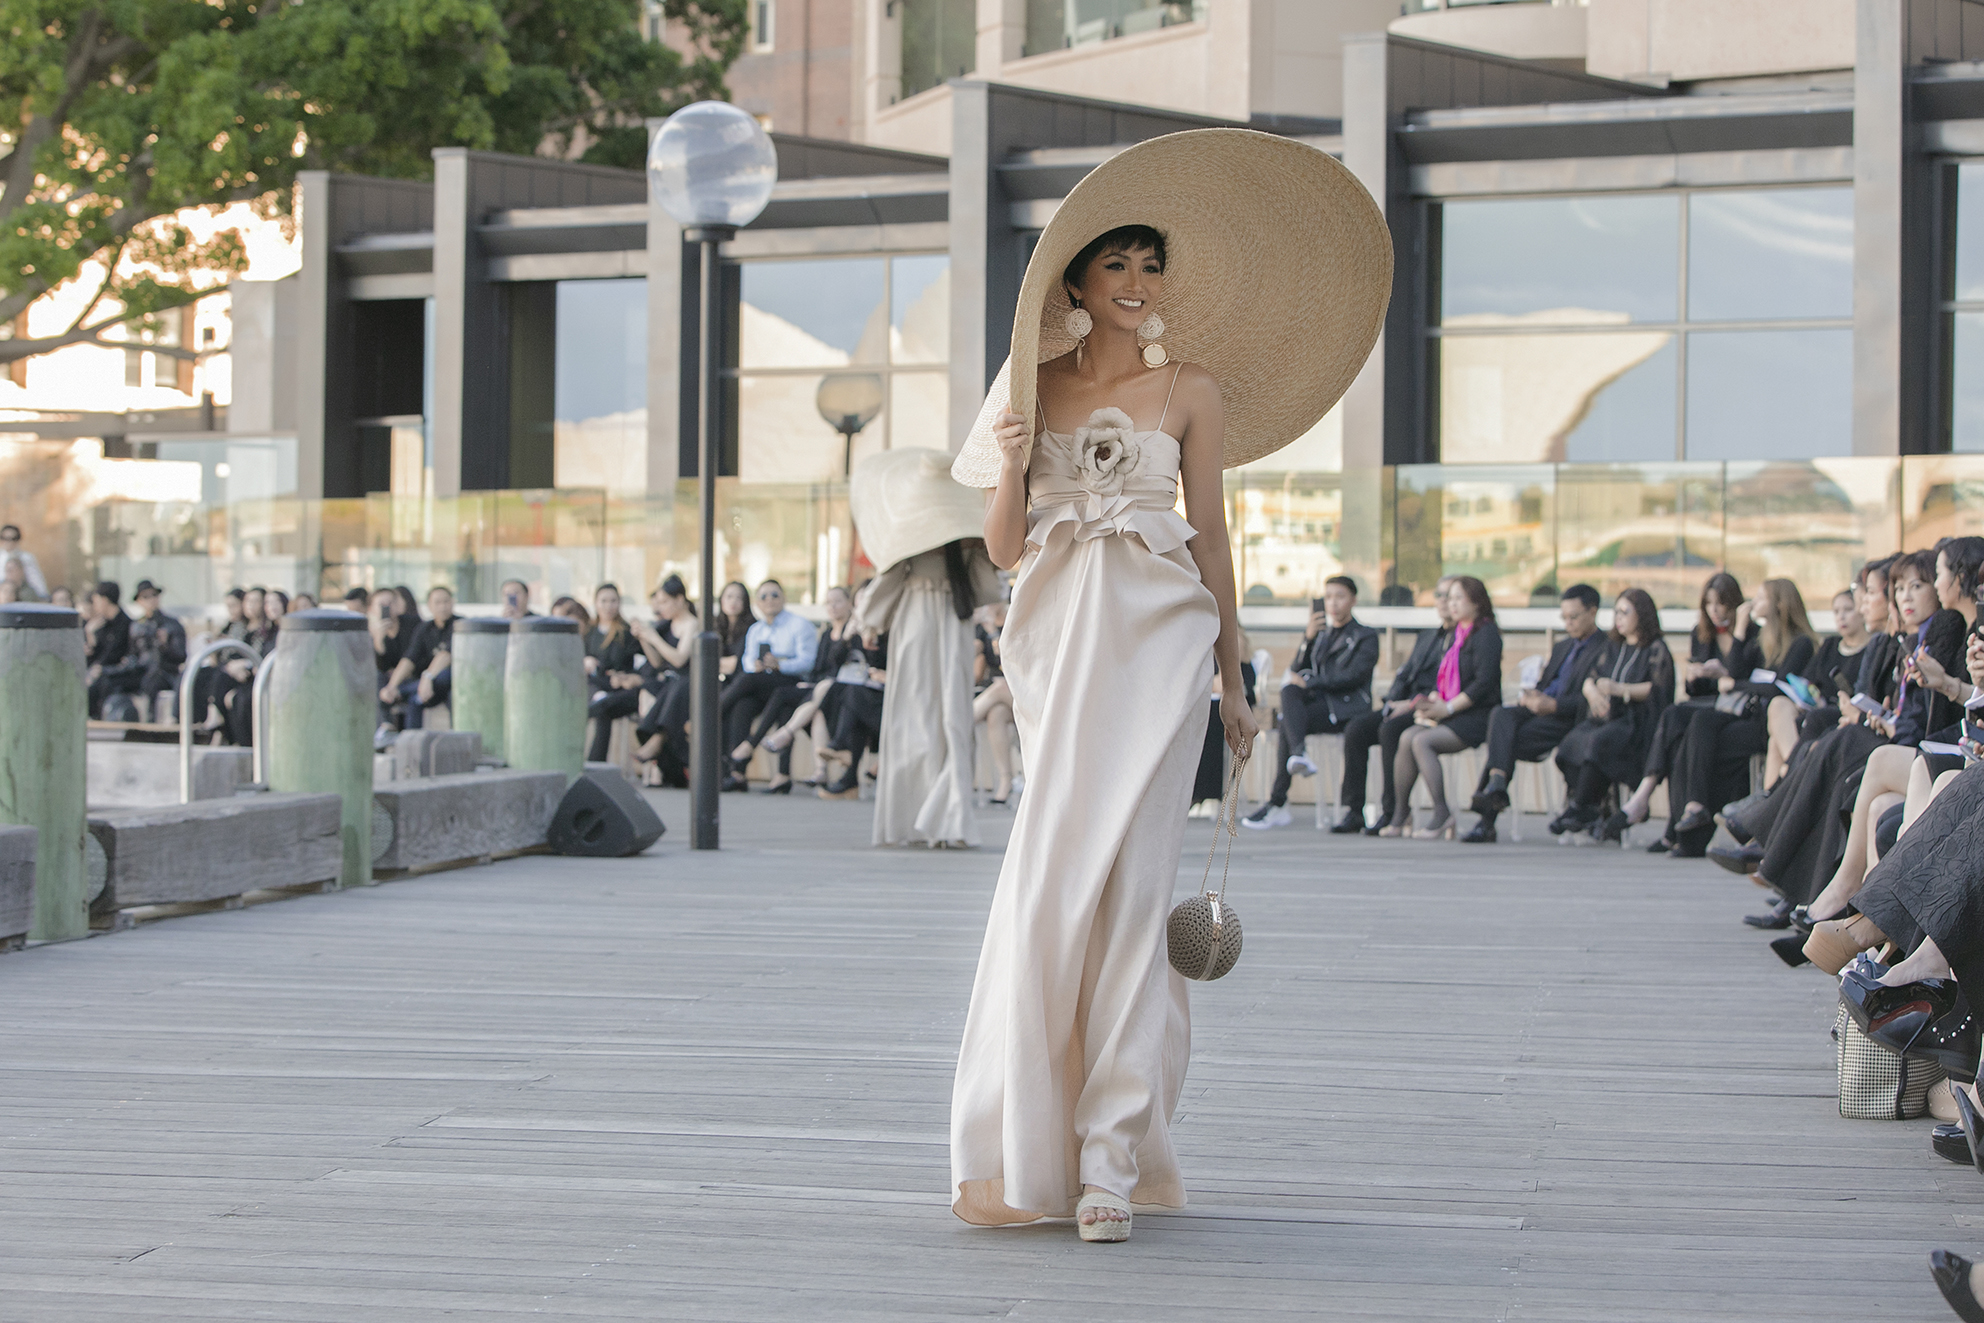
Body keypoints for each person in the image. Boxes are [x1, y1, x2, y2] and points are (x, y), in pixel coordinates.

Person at [946, 132, 1382, 1241]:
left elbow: (1215, 542)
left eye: (1152, 265)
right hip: (1055, 650)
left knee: (1137, 896)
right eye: (1118, 265)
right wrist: (1011, 458)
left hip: (1162, 649)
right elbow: (1002, 548)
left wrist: (1236, 681)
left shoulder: (1192, 389)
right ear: (1075, 284)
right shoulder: (1033, 389)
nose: (1138, 283)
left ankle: (1107, 1164)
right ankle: (1028, 1143)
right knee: (1050, 891)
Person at [847, 449, 1004, 841]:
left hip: (916, 621)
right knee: (952, 715)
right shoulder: (966, 537)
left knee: (914, 713)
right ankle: (949, 817)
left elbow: (887, 582)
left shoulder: (909, 535)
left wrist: (868, 622)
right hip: (954, 621)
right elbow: (987, 588)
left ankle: (915, 814)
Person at [1461, 583, 1608, 842]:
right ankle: (1496, 785)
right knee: (1501, 715)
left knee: (1503, 743)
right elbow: (1544, 684)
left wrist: (1554, 706)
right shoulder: (1562, 647)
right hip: (1539, 712)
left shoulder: (1605, 648)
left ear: (1592, 612)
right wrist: (1532, 696)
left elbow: (1593, 701)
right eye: (1564, 617)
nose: (1568, 623)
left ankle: (1488, 815)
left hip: (1568, 719)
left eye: (1574, 617)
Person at [1241, 575, 1378, 830]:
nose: (1333, 603)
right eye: (1328, 597)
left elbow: (1354, 676)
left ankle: (1278, 800)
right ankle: (1297, 756)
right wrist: (1308, 639)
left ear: (1353, 600)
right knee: (1289, 694)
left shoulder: (1365, 636)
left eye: (1340, 596)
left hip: (1348, 709)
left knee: (1288, 719)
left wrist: (1312, 683)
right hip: (1321, 708)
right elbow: (1296, 670)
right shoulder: (1321, 635)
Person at [1332, 575, 1455, 835]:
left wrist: (1409, 705)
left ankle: (1392, 811)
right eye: (1439, 595)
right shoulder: (1428, 636)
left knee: (1390, 730)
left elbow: (1446, 687)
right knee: (1357, 729)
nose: (1444, 602)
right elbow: (1405, 673)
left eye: (1450, 596)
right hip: (1404, 704)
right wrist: (1392, 701)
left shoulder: (1462, 641)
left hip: (1429, 709)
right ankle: (1354, 811)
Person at [1385, 575, 1503, 839]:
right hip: (1453, 710)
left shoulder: (1486, 634)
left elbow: (1483, 684)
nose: (1452, 604)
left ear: (1477, 602)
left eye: (1459, 598)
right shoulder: (1456, 634)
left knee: (1422, 741)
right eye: (1450, 599)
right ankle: (1400, 814)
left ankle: (1441, 813)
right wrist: (1433, 701)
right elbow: (1448, 679)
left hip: (1478, 715)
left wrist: (1447, 708)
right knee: (1406, 737)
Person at [1553, 588, 1675, 838]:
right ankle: (1587, 804)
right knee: (1570, 744)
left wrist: (1620, 690)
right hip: (1606, 716)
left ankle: (1584, 805)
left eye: (1625, 612)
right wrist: (1592, 692)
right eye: (1616, 612)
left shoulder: (1655, 648)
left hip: (1635, 720)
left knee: (1599, 743)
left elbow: (1658, 688)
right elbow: (1592, 677)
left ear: (1641, 614)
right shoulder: (1612, 646)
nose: (1618, 618)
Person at [749, 584, 860, 794]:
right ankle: (820, 771)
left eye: (838, 601)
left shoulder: (855, 632)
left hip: (844, 689)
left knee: (795, 692)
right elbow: (818, 669)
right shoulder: (826, 634)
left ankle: (782, 734)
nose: (833, 606)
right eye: (829, 602)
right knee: (805, 705)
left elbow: (840, 663)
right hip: (821, 688)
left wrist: (846, 637)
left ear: (849, 604)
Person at [718, 580, 818, 791]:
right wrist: (756, 666)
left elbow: (808, 662)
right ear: (757, 602)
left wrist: (780, 665)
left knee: (767, 691)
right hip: (763, 683)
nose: (769, 600)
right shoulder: (756, 629)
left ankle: (714, 712)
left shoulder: (800, 625)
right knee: (743, 704)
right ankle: (738, 773)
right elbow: (747, 660)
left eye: (774, 595)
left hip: (793, 681)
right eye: (763, 596)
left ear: (784, 598)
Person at [630, 575, 697, 788]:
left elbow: (679, 659)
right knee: (648, 688)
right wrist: (644, 638)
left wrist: (654, 638)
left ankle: (657, 740)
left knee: (675, 688)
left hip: (689, 684)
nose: (661, 607)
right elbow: (658, 662)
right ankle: (656, 755)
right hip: (670, 682)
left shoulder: (692, 624)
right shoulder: (667, 625)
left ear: (680, 599)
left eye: (665, 602)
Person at [583, 583, 645, 762]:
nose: (608, 606)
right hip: (595, 684)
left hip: (619, 687)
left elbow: (641, 662)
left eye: (613, 601)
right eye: (604, 601)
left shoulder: (626, 632)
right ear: (596, 603)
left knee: (603, 707)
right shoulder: (589, 631)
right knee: (595, 694)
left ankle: (595, 763)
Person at [381, 586, 456, 731]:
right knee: (411, 697)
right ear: (429, 605)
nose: (442, 607)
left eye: (446, 601)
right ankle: (407, 738)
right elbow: (410, 658)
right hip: (427, 687)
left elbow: (446, 654)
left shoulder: (459, 625)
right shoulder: (424, 628)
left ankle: (403, 691)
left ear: (452, 602)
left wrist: (427, 677)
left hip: (449, 681)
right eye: (438, 602)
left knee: (442, 677)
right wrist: (392, 686)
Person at [973, 603, 1021, 806]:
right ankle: (1005, 780)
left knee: (1001, 687)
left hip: (1020, 689)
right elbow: (975, 662)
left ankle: (965, 719)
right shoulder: (982, 627)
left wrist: (993, 632)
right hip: (998, 695)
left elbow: (1009, 658)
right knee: (996, 714)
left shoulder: (1016, 616)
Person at [125, 580, 187, 720]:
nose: (151, 600)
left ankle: (151, 722)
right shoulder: (136, 626)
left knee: (152, 681)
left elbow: (181, 656)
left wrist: (164, 645)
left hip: (165, 673)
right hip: (140, 671)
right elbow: (132, 653)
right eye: (146, 597)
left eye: (154, 595)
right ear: (139, 601)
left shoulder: (171, 624)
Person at [84, 580, 135, 720]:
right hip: (101, 672)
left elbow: (114, 654)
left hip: (118, 674)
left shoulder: (126, 625)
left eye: (96, 601)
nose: (95, 606)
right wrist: (90, 636)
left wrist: (99, 667)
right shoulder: (101, 625)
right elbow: (94, 658)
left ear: (104, 600)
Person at [368, 587, 408, 746]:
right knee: (377, 678)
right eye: (381, 604)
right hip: (385, 683)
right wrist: (379, 641)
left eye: (390, 603)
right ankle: (386, 727)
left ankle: (387, 728)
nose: (387, 608)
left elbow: (412, 658)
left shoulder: (410, 625)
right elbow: (380, 666)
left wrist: (395, 679)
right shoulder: (371, 632)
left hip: (408, 678)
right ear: (372, 608)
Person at [0, 524, 49, 599]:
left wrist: (43, 597)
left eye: (13, 538)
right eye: (5, 538)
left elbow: (36, 581)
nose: (9, 542)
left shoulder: (26, 558)